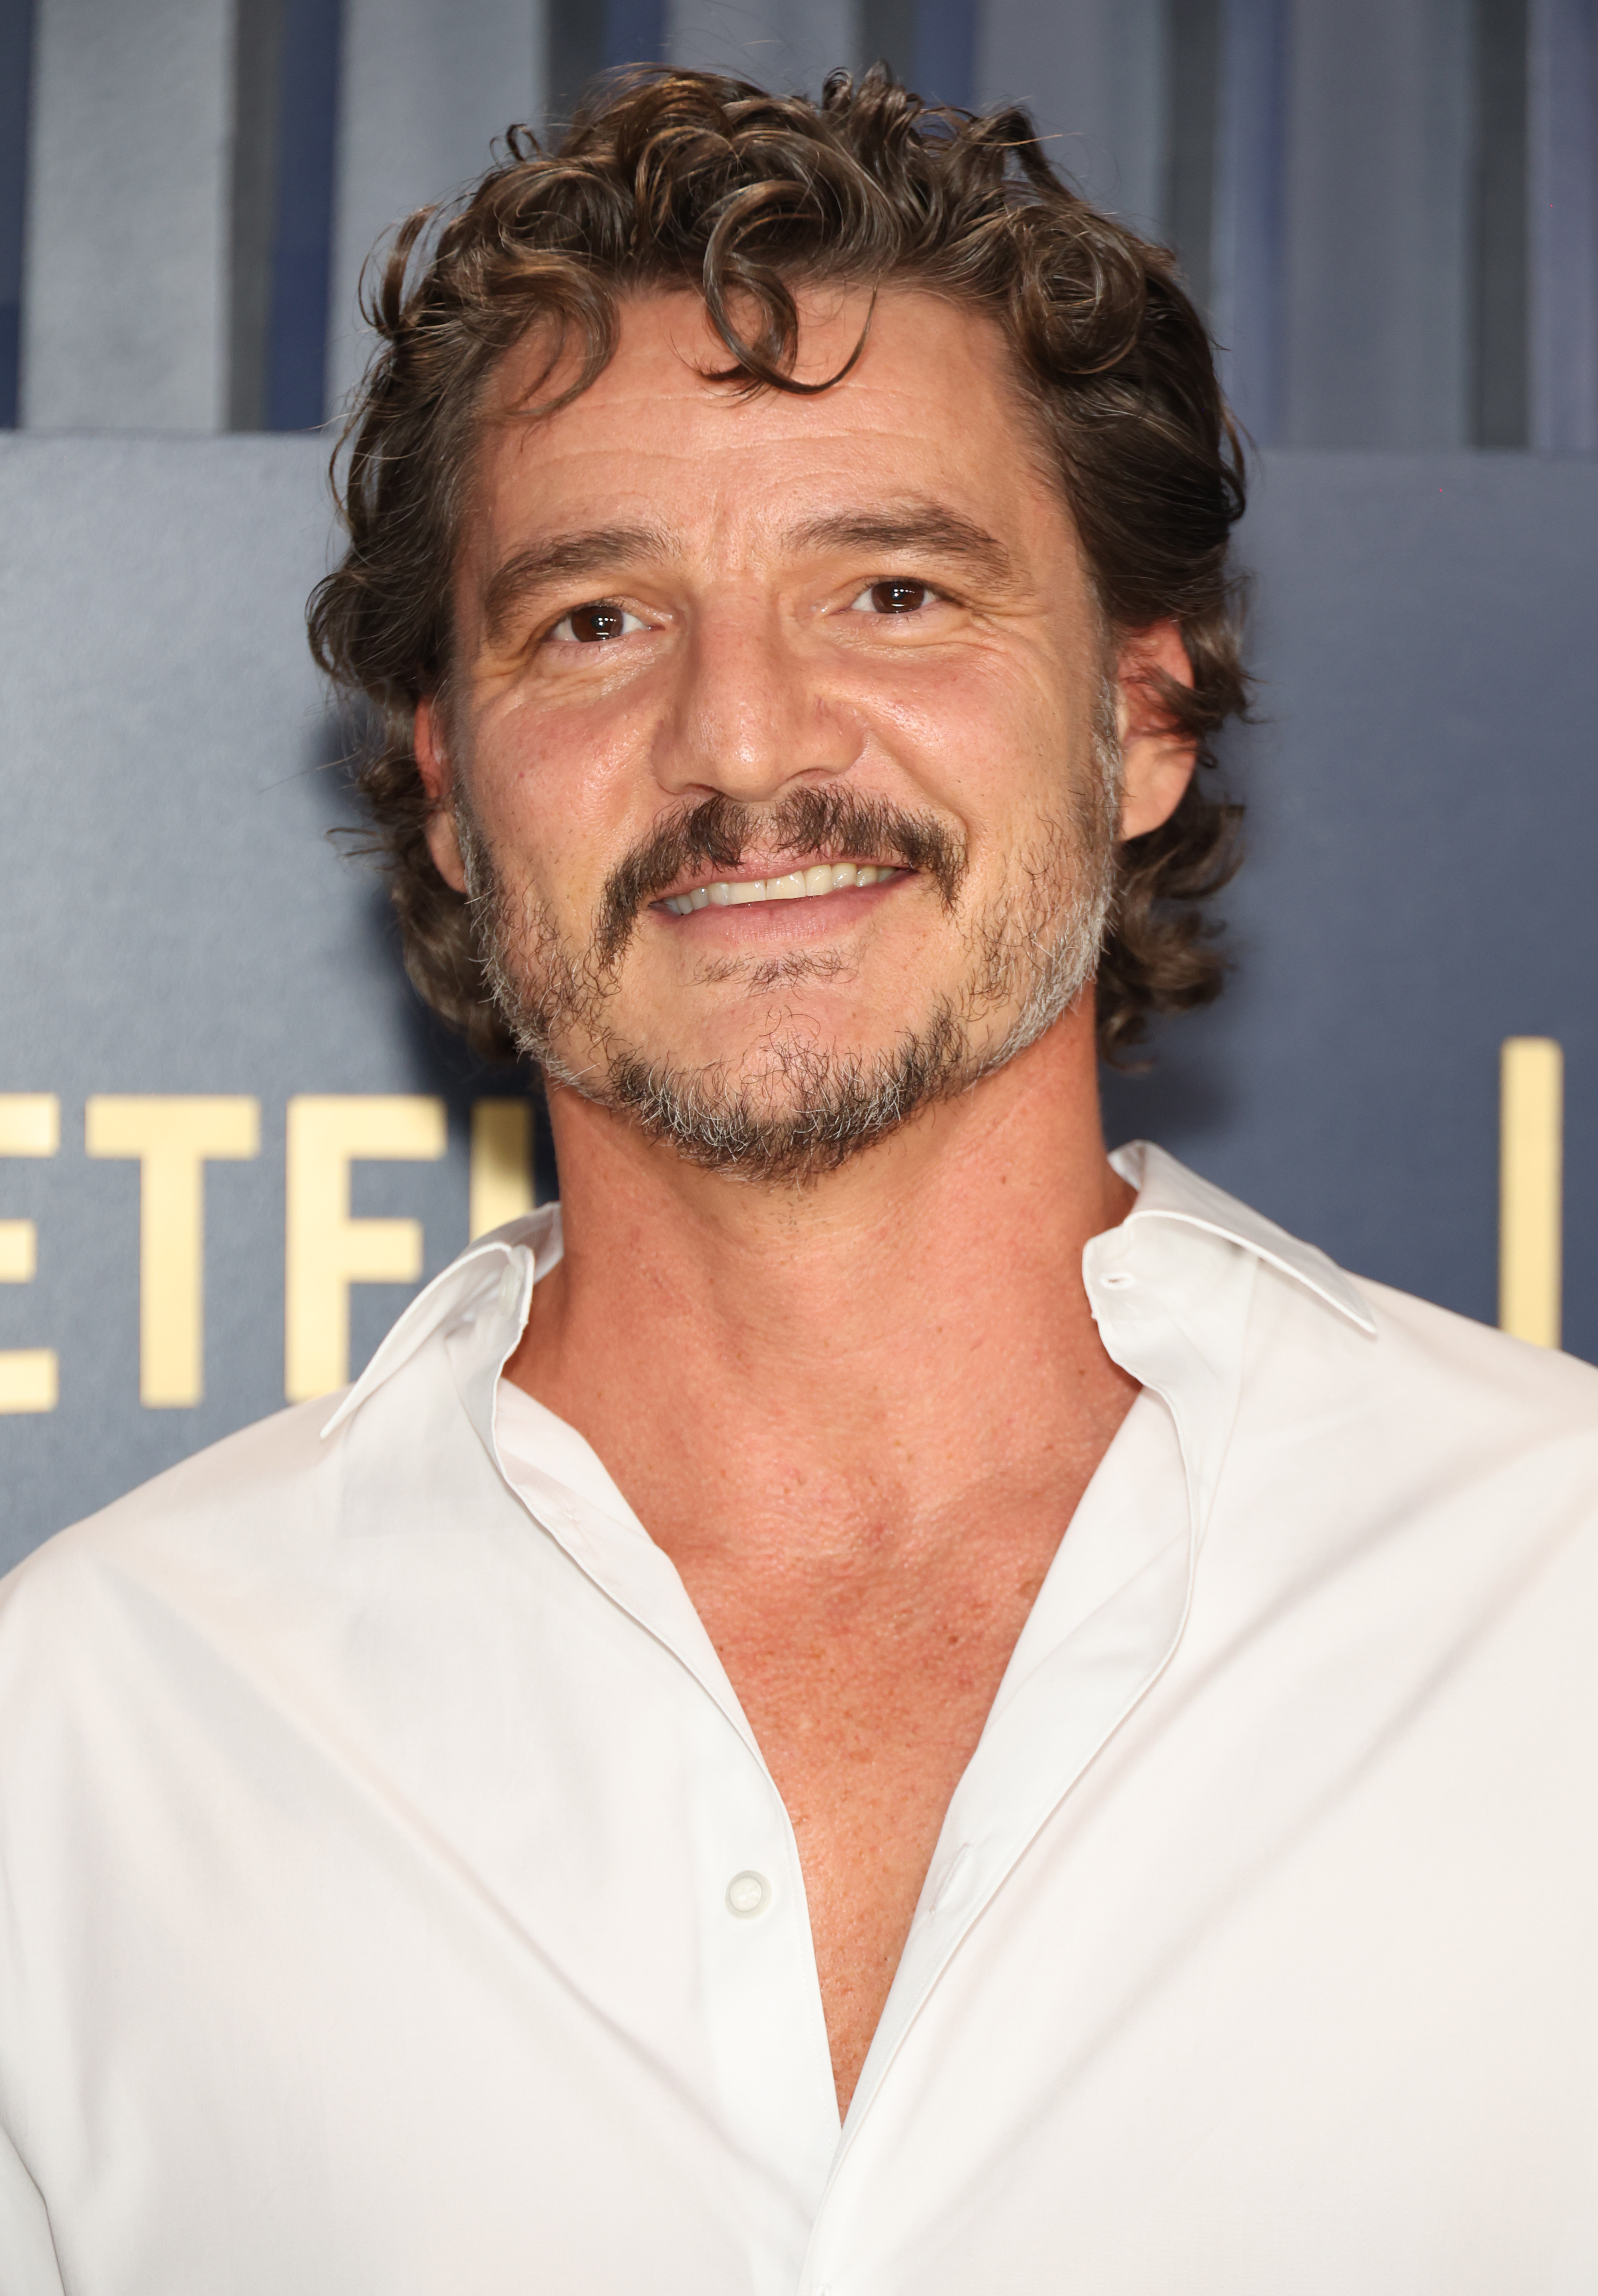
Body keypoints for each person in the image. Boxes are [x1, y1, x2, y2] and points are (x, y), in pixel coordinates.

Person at [2, 66, 1595, 2296]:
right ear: (454, 790)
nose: (745, 742)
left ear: (1148, 712)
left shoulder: (1559, 1602)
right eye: (598, 620)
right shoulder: (87, 1738)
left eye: (896, 591)